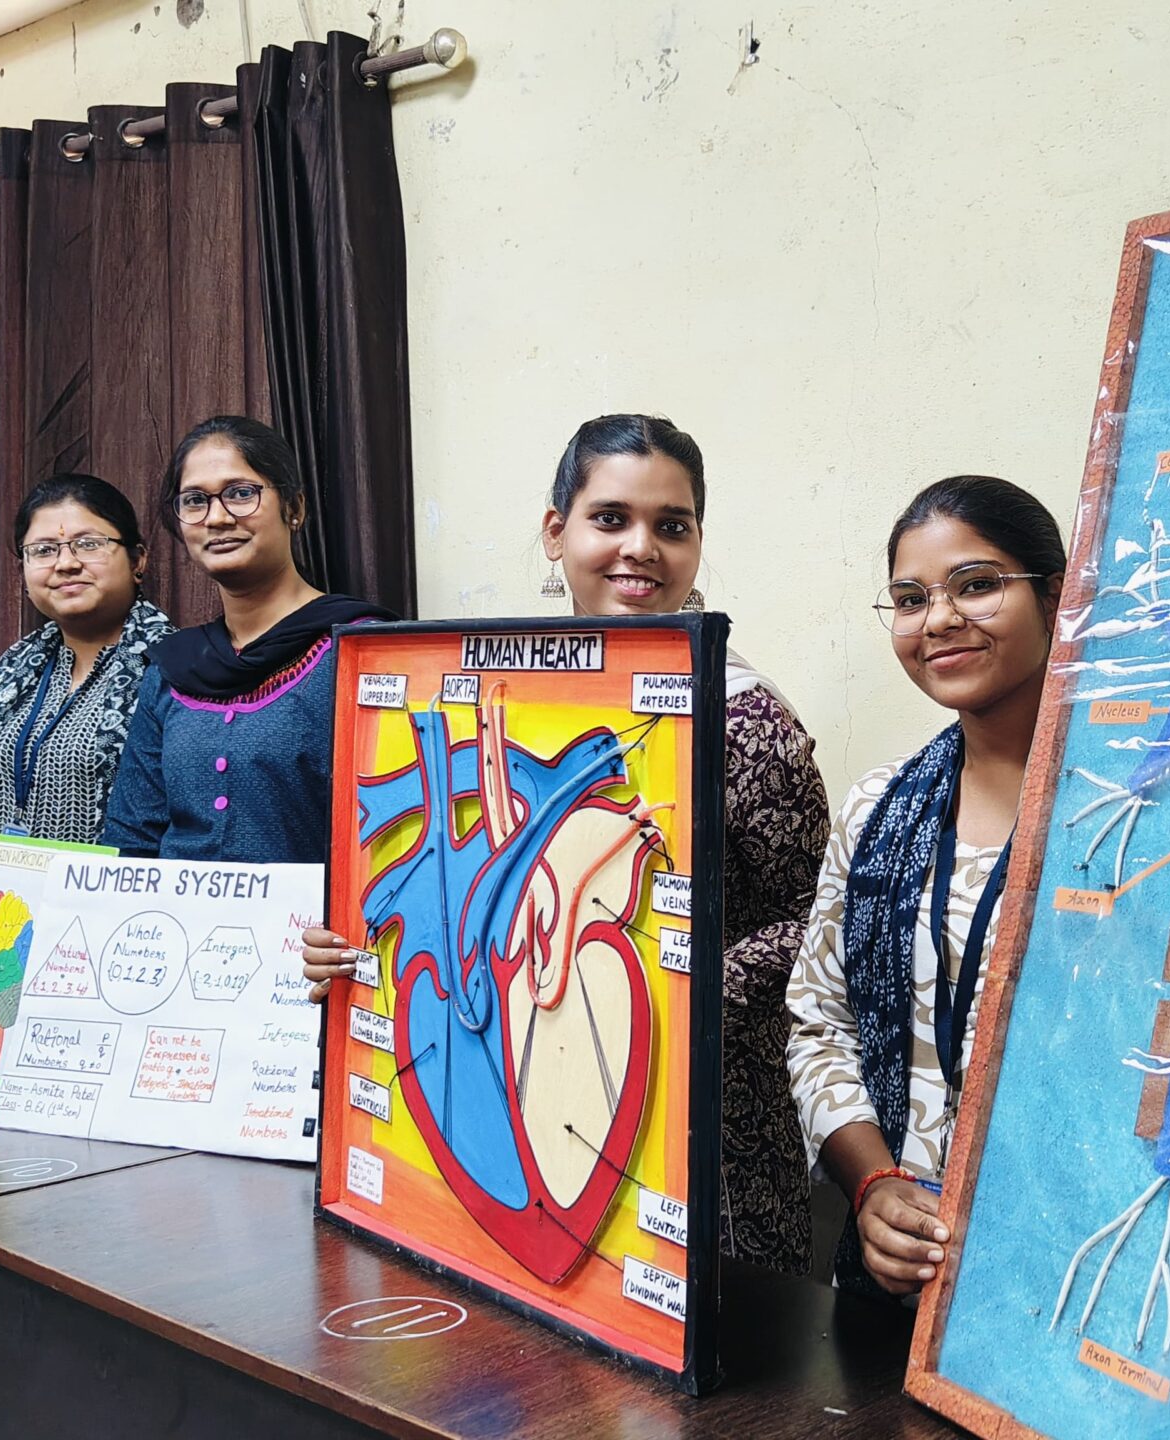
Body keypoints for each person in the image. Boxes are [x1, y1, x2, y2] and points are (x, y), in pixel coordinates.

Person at [300, 414, 831, 1276]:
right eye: (610, 518)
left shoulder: (746, 720)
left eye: (672, 525)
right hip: (505, 1127)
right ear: (557, 532)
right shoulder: (489, 700)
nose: (641, 548)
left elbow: (813, 927)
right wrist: (352, 956)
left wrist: (677, 992)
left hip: (706, 1153)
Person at [785, 475, 1067, 1298]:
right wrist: (874, 1185)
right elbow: (818, 1022)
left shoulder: (1127, 818)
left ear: (1057, 595)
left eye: (976, 585)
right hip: (893, 1279)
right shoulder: (879, 809)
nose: (938, 620)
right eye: (910, 599)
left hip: (1065, 1274)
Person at [102, 417, 393, 862]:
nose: (217, 518)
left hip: (318, 911)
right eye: (195, 500)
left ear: (294, 508)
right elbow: (131, 840)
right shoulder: (173, 669)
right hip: (173, 909)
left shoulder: (362, 654)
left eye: (240, 493)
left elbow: (397, 831)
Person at [0, 474, 172, 876]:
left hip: (112, 905)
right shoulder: (14, 668)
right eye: (43, 550)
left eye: (89, 544)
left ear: (138, 559)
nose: (66, 564)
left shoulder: (170, 666)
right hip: (6, 904)